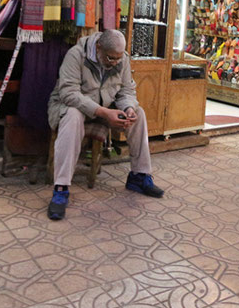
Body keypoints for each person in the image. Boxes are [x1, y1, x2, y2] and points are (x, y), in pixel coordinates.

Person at [45, 29, 164, 220]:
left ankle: (139, 176)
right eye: (111, 58)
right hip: (70, 107)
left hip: (104, 107)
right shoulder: (76, 55)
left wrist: (128, 108)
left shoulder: (121, 58)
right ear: (98, 47)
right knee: (73, 117)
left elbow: (127, 90)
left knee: (139, 114)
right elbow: (68, 93)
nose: (115, 62)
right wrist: (103, 112)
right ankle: (61, 188)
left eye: (118, 58)